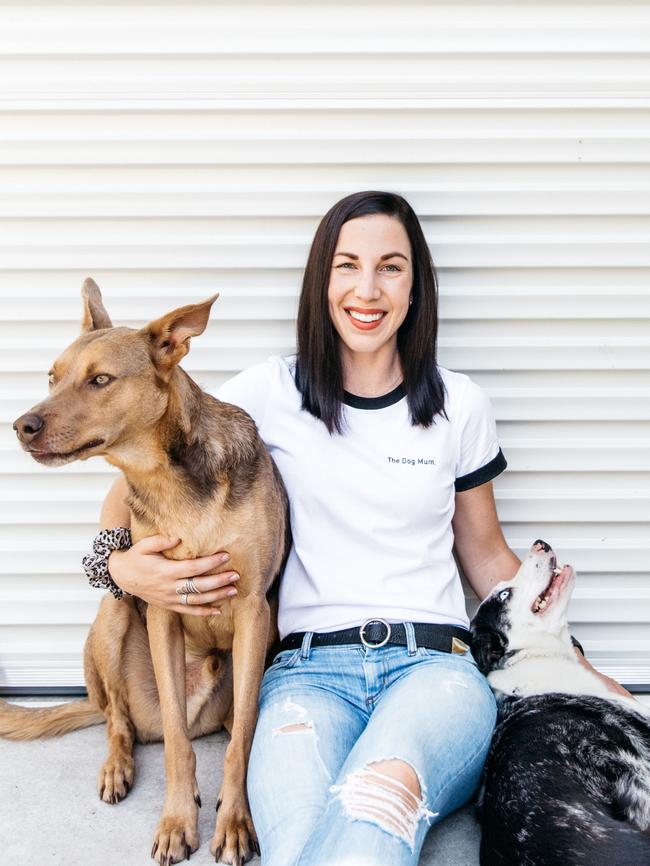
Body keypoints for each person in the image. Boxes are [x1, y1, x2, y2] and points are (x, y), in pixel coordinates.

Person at [100, 191, 629, 866]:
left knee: (373, 814)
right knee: (294, 844)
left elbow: (488, 556)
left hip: (435, 674)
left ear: (416, 286)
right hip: (301, 677)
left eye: (391, 267)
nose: (367, 288)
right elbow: (135, 485)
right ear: (322, 281)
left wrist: (577, 664)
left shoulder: (459, 404)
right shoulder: (269, 393)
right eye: (347, 266)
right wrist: (120, 568)